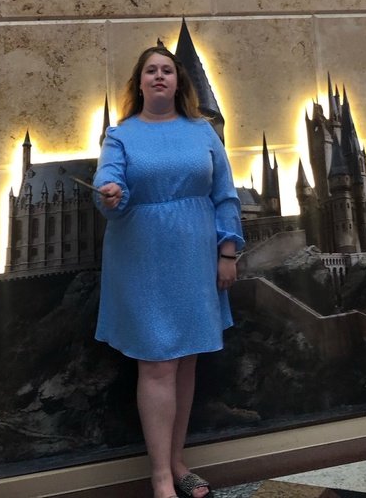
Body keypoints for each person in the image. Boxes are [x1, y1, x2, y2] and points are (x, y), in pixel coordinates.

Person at [93, 45, 244, 498]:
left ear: (178, 82)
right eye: (150, 71)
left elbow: (225, 193)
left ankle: (178, 462)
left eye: (167, 70)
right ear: (139, 83)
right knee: (158, 364)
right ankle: (160, 476)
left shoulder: (202, 131)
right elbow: (107, 184)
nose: (159, 76)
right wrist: (109, 193)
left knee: (186, 360)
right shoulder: (120, 135)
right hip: (141, 259)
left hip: (195, 259)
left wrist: (228, 252)